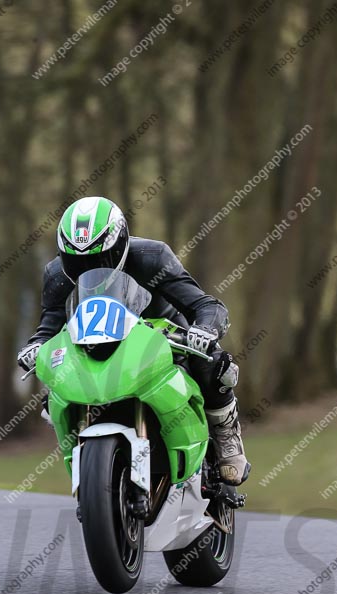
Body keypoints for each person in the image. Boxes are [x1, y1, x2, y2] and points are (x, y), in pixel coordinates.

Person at [18, 196, 250, 485]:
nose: (88, 267)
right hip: (93, 345)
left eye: (98, 259)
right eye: (77, 261)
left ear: (121, 245)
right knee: (52, 395)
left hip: (162, 339)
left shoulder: (153, 258)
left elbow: (206, 305)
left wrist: (204, 329)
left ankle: (225, 434)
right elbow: (50, 324)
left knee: (214, 363)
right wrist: (35, 347)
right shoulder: (57, 275)